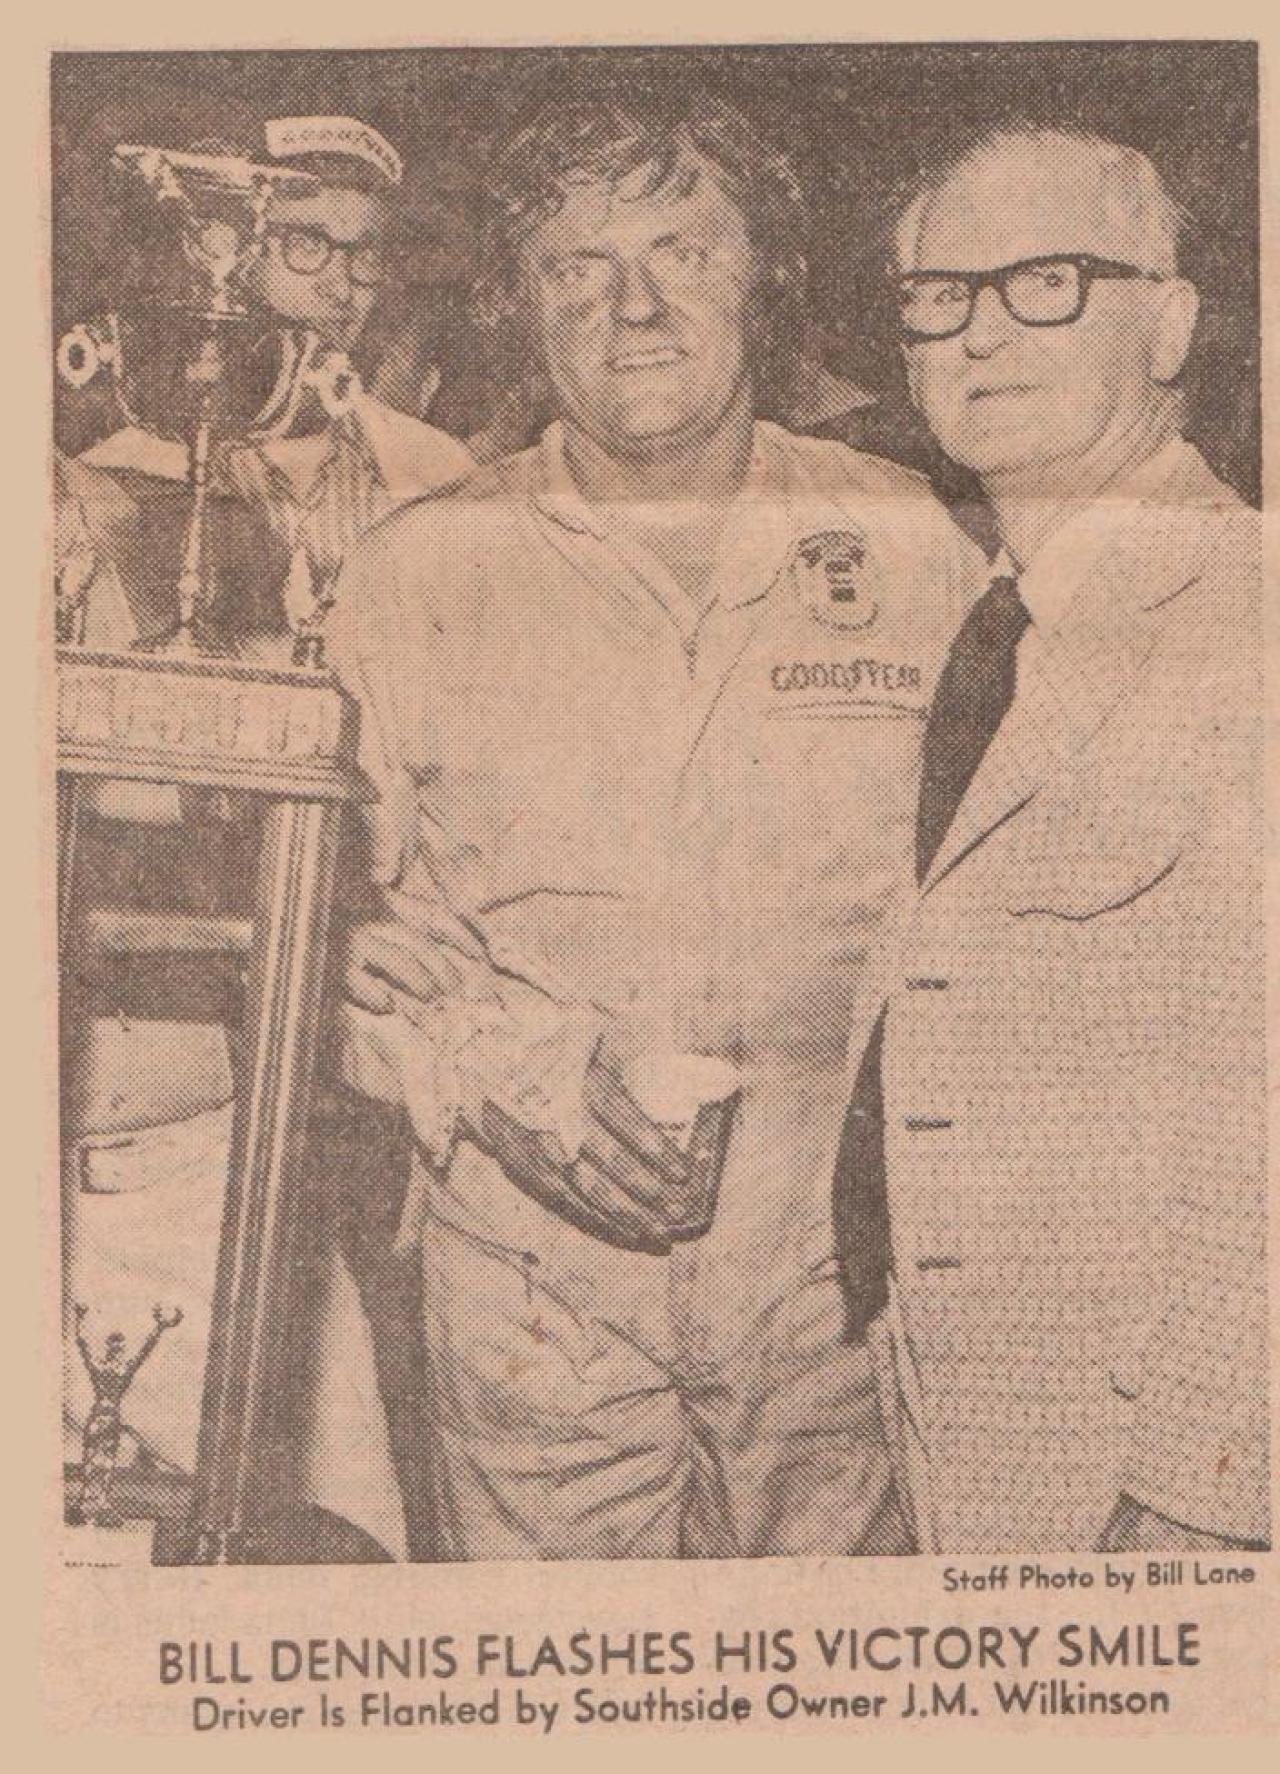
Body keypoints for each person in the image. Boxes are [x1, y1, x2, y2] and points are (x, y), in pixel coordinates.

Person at [329, 86, 983, 1561]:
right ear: (521, 308)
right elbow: (345, 946)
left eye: (684, 251)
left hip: (839, 1291)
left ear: (765, 278)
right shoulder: (419, 571)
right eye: (578, 265)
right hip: (531, 1288)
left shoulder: (912, 543)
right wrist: (490, 1078)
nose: (634, 306)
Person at [835, 123, 1267, 1553]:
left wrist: (1204, 1491)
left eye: (1047, 282)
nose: (983, 332)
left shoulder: (1246, 611)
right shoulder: (987, 617)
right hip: (965, 1429)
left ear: (1172, 323)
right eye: (942, 293)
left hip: (1151, 1470)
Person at [58, 115, 471, 1561]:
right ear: (218, 253)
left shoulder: (433, 475)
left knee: (359, 1463)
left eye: (365, 255)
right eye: (303, 244)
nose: (338, 284)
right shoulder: (105, 476)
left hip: (374, 998)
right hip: (186, 1027)